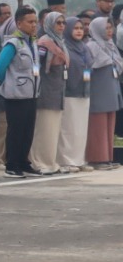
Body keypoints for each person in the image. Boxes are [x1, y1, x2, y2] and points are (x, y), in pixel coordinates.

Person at [0, 5, 42, 177]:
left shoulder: (32, 42)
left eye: (35, 22)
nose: (33, 25)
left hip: (31, 93)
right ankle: (12, 164)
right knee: (16, 130)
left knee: (27, 130)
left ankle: (23, 161)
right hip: (16, 95)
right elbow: (0, 67)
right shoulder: (13, 43)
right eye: (29, 22)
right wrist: (9, 84)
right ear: (19, 23)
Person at [29, 11, 69, 175]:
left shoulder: (60, 42)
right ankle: (39, 162)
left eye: (62, 23)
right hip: (46, 91)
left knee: (53, 130)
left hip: (58, 90)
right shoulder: (44, 43)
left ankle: (51, 162)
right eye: (57, 23)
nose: (61, 26)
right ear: (49, 25)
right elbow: (38, 66)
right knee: (44, 129)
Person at [84, 15, 119, 169]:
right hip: (98, 91)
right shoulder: (92, 46)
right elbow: (87, 69)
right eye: (106, 28)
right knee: (97, 126)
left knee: (109, 124)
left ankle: (107, 158)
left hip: (111, 89)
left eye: (111, 27)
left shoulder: (110, 45)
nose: (109, 31)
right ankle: (97, 159)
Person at [59, 17, 91, 172]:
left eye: (81, 28)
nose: (79, 31)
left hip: (84, 92)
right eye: (75, 28)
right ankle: (66, 160)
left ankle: (79, 159)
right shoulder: (65, 47)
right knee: (68, 128)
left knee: (80, 128)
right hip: (70, 92)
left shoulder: (84, 47)